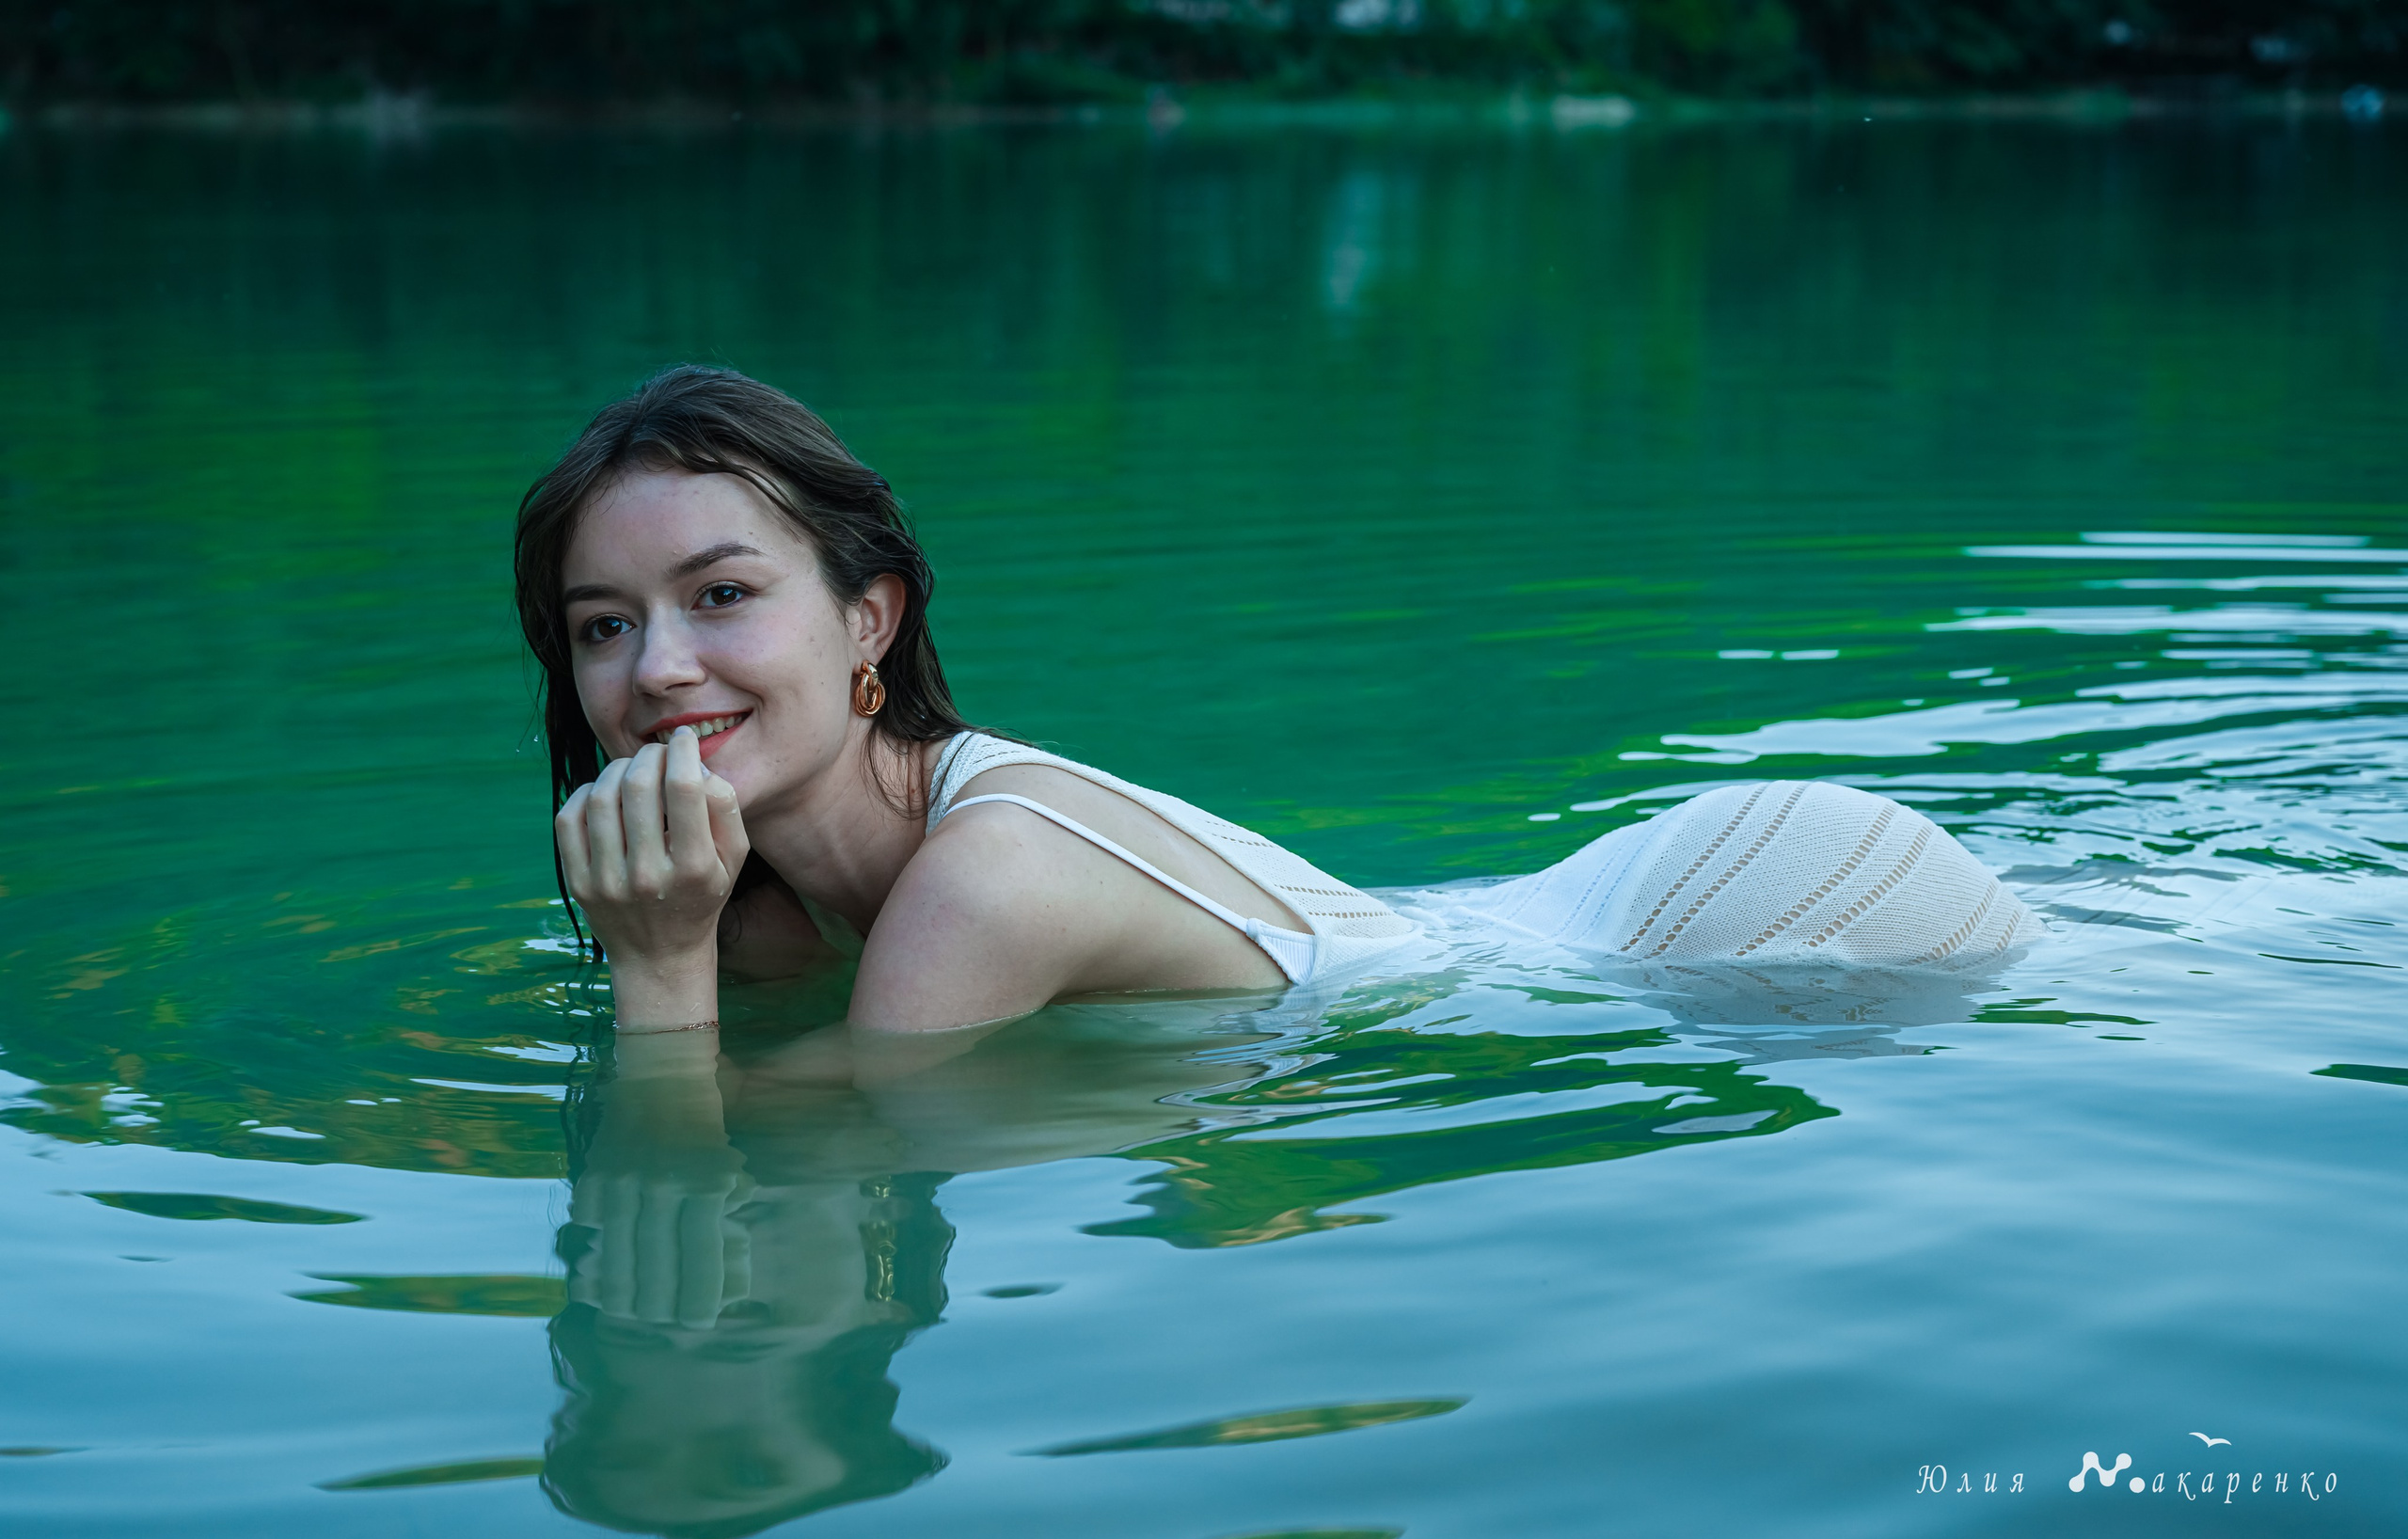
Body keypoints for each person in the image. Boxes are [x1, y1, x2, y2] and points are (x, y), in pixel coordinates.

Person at [516, 366, 2035, 1044]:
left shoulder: (980, 885)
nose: (658, 670)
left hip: (1753, 919)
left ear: (871, 617)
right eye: (605, 626)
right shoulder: (765, 904)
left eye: (723, 595)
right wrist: (679, 944)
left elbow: (726, 1179)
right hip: (1585, 911)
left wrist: (657, 967)